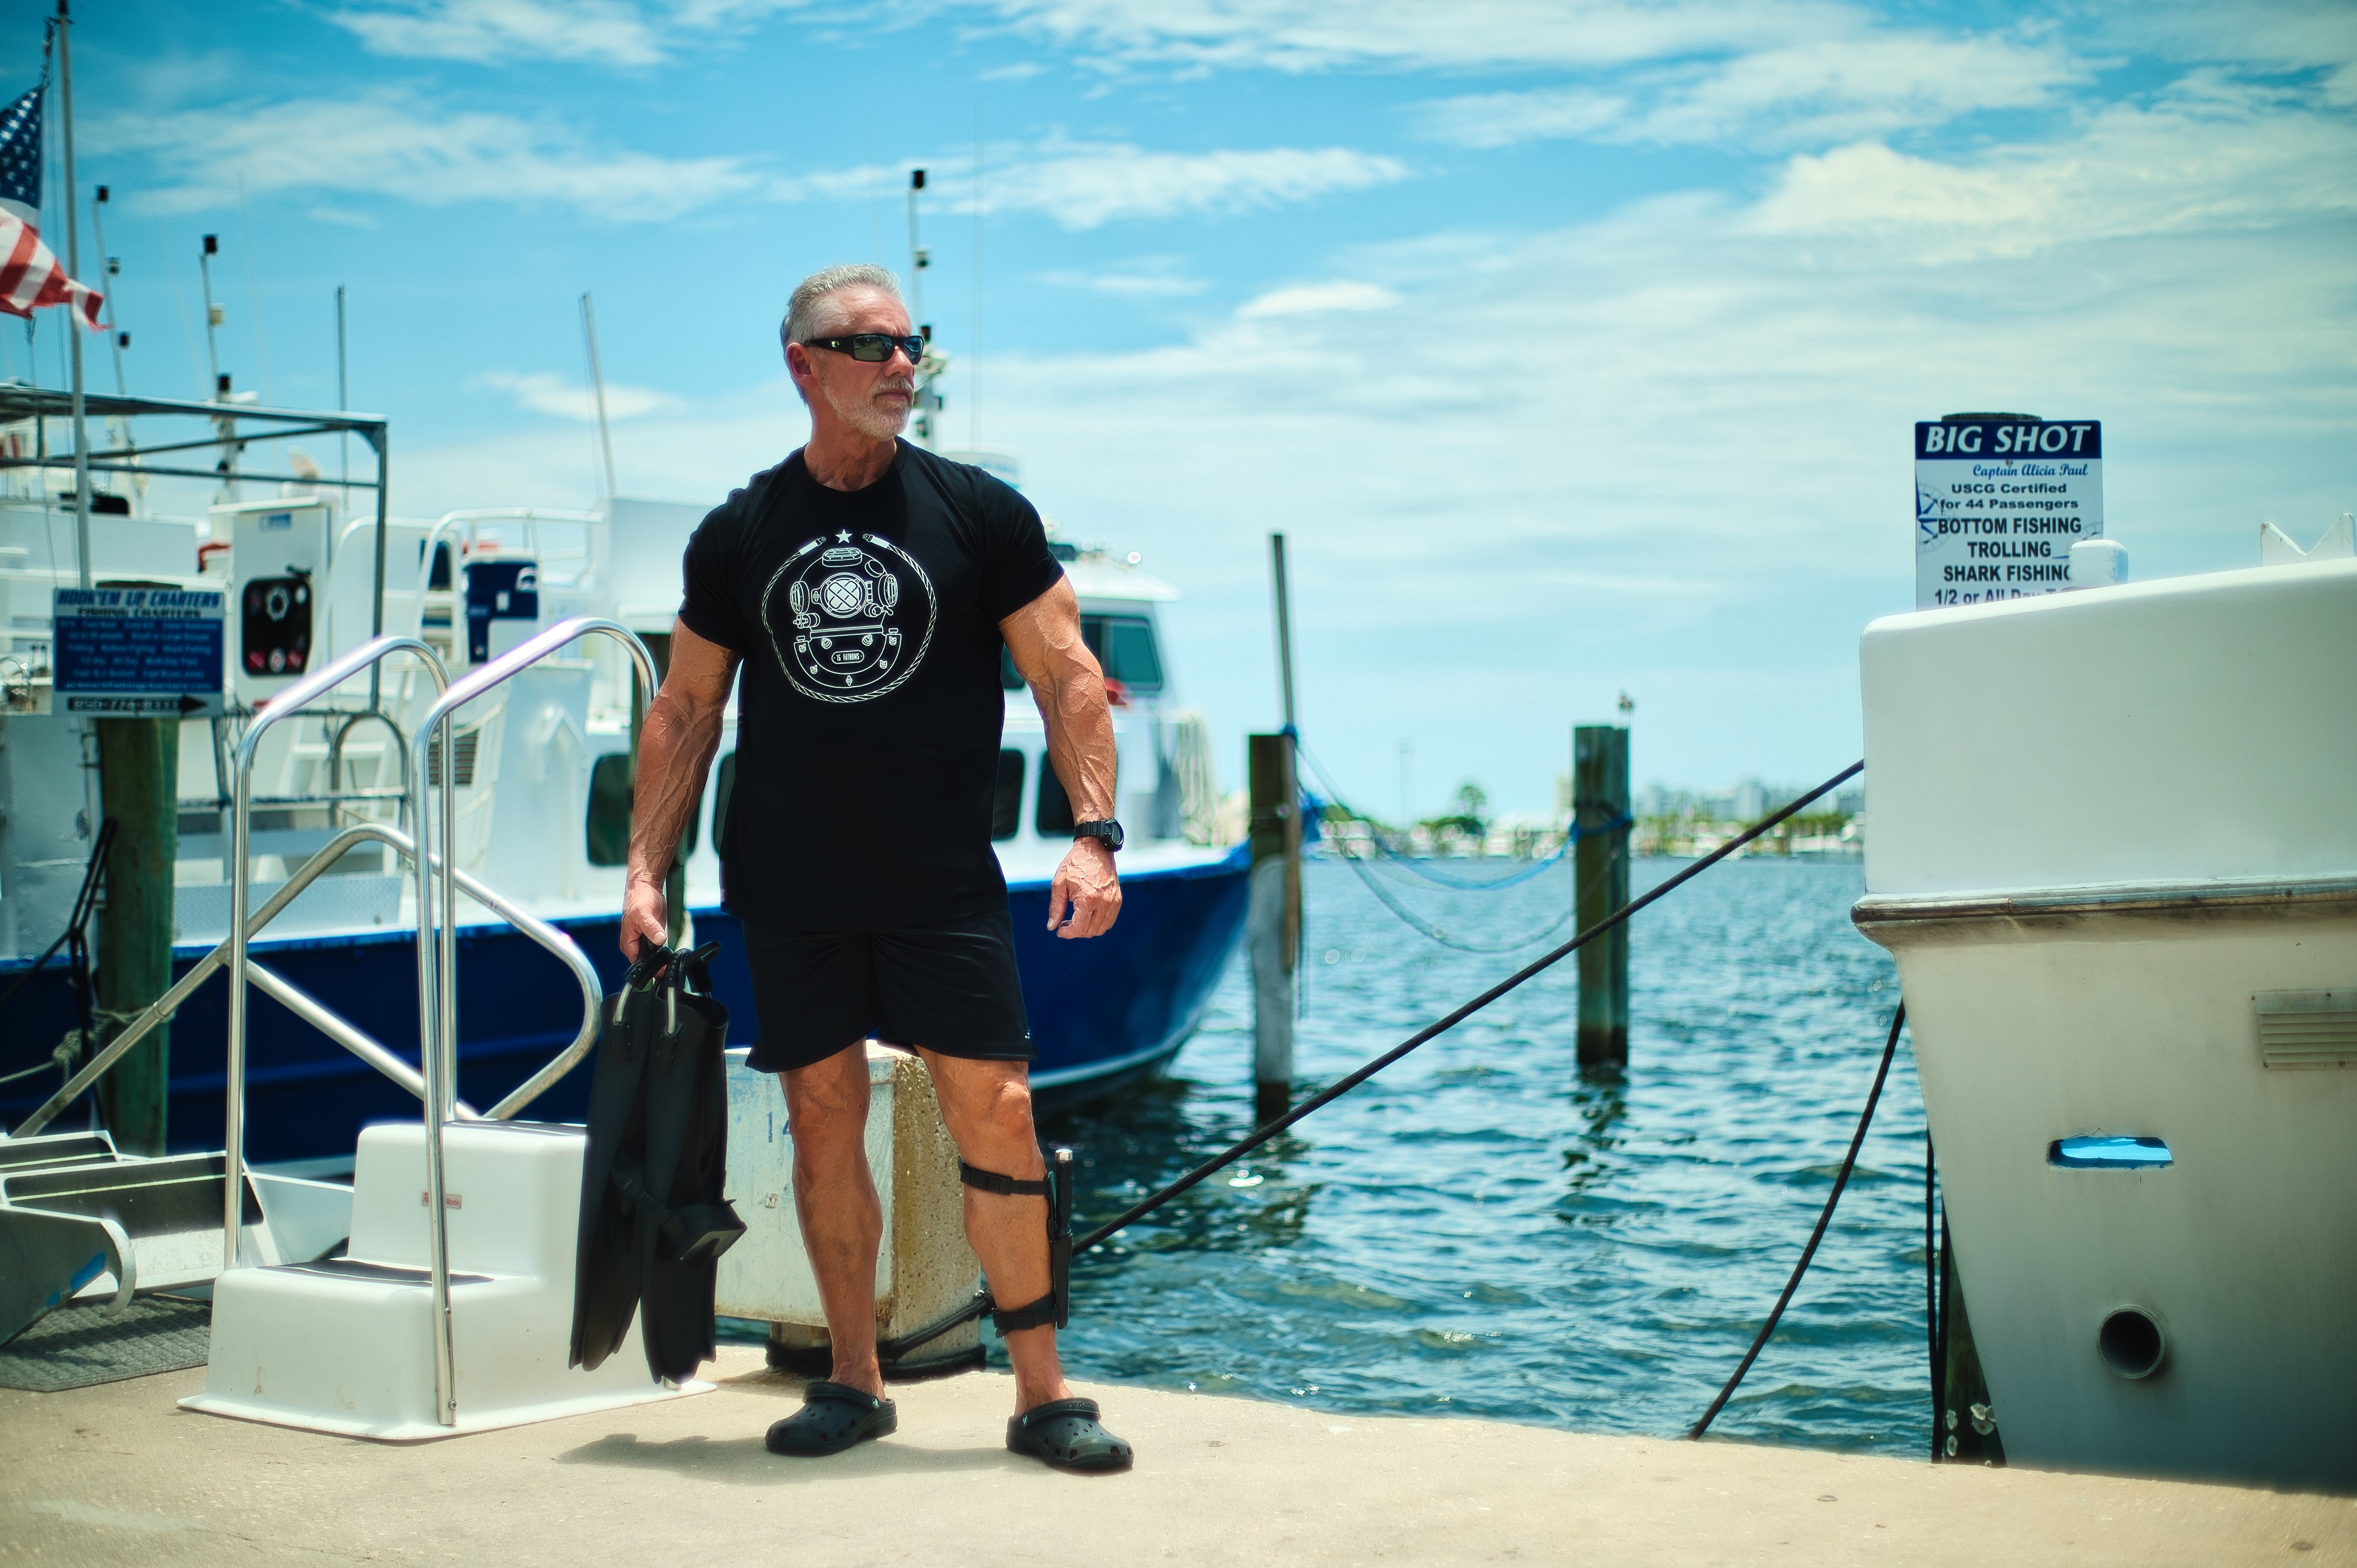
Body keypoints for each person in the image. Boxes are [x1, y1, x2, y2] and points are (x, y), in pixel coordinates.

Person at [621, 263, 1133, 1472]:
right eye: (871, 346)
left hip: (939, 878)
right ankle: (854, 1379)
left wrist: (1095, 832)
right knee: (820, 1117)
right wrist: (647, 869)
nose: (902, 365)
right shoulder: (742, 530)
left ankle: (1045, 1395)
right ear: (803, 366)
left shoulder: (980, 513)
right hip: (790, 877)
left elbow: (1066, 672)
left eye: (913, 344)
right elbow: (687, 708)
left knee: (998, 1114)